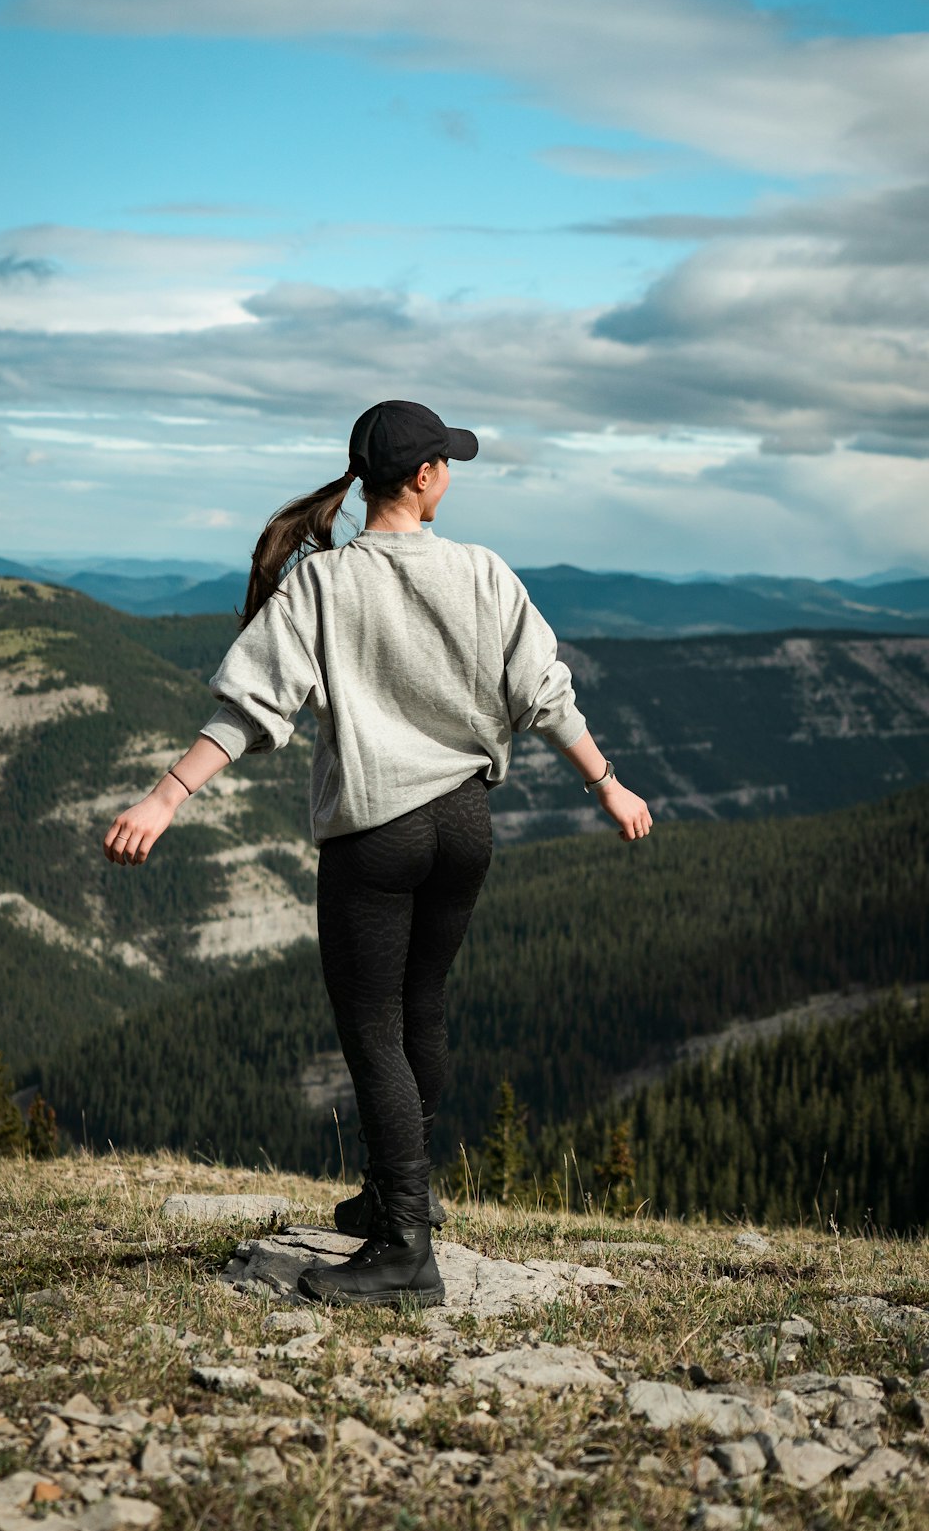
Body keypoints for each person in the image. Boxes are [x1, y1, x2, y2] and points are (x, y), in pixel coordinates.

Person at [102, 398, 653, 1308]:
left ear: (367, 483)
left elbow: (253, 705)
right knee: (421, 1012)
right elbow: (546, 694)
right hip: (465, 826)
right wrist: (607, 784)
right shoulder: (484, 572)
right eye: (450, 463)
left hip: (378, 835)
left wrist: (166, 796)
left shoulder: (323, 584)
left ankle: (405, 1247)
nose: (452, 476)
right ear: (426, 476)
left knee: (372, 1033)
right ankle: (400, 1198)